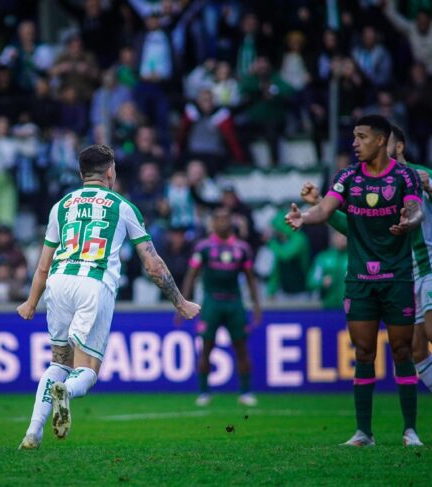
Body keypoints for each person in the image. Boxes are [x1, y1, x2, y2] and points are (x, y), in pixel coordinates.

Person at [16, 144, 200, 449]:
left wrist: (31, 302)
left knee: (59, 359)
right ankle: (67, 391)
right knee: (86, 369)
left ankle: (33, 432)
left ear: (80, 173)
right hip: (94, 283)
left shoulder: (60, 206)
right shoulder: (122, 206)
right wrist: (180, 302)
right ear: (111, 172)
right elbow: (153, 265)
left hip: (59, 282)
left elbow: (42, 266)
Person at [285, 115, 424, 447]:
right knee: (363, 353)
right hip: (360, 279)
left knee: (402, 350)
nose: (354, 143)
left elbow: (416, 210)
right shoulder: (347, 176)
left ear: (380, 140)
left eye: (361, 137)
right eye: (354, 137)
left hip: (398, 276)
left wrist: (409, 220)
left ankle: (410, 431)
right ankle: (364, 432)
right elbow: (326, 209)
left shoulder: (405, 176)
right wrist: (304, 217)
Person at [300, 123, 432, 392]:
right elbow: (352, 228)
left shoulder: (422, 176)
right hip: (404, 274)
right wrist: (320, 204)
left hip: (429, 266)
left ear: (398, 146)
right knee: (417, 350)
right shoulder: (372, 186)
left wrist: (430, 187)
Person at [179, 207, 261, 407]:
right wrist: (181, 302)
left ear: (231, 221)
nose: (223, 222)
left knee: (241, 347)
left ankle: (245, 391)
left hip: (235, 302)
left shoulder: (242, 248)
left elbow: (251, 279)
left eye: (226, 218)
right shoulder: (203, 247)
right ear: (213, 223)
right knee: (206, 347)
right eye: (218, 219)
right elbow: (191, 275)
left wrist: (257, 305)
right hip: (211, 302)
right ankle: (204, 392)